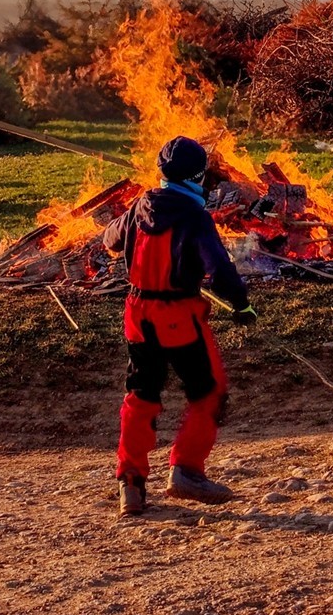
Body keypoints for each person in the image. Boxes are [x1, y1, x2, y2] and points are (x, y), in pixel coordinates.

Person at [103, 135, 256, 517]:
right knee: (209, 391)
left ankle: (130, 484)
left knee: (141, 397)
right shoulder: (194, 216)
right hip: (179, 316)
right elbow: (219, 268)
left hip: (137, 315)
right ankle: (186, 469)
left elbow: (109, 238)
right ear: (199, 176)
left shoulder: (141, 206)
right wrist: (242, 305)